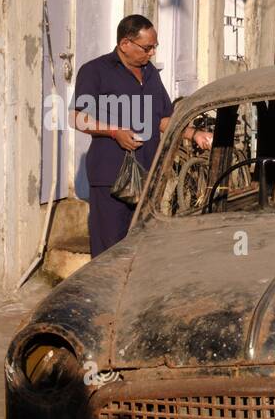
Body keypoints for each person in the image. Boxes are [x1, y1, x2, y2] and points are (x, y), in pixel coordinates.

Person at [73, 14, 193, 256]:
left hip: (148, 173)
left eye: (154, 47)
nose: (152, 54)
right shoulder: (95, 71)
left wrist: (192, 133)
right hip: (112, 175)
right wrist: (115, 132)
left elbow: (161, 119)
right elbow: (78, 118)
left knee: (141, 246)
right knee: (110, 249)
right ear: (125, 44)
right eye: (147, 48)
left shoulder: (150, 73)